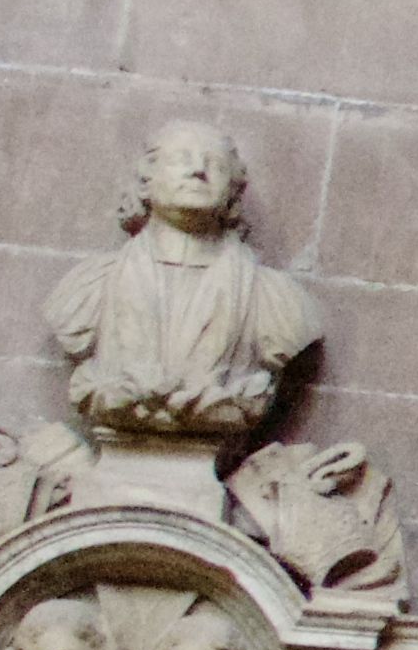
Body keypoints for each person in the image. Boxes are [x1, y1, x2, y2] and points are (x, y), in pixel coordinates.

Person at [44, 123, 320, 440]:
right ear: (145, 183)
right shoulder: (89, 286)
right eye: (180, 159)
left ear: (233, 190)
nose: (198, 171)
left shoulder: (277, 300)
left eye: (215, 164)